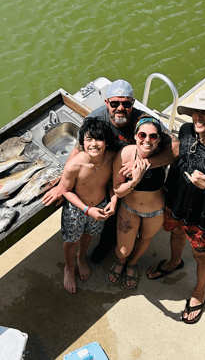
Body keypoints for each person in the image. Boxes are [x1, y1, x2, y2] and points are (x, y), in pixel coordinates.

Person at [42, 79, 179, 264]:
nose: (120, 108)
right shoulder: (96, 119)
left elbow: (175, 148)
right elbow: (79, 148)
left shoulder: (142, 119)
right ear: (106, 103)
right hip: (106, 176)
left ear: (132, 103)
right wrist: (62, 184)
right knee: (108, 214)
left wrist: (143, 164)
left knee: (121, 214)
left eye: (126, 103)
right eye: (115, 103)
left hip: (131, 179)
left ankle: (117, 245)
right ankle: (105, 244)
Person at [146, 90, 205, 324]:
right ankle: (175, 261)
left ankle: (199, 292)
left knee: (201, 254)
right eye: (196, 111)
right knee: (175, 232)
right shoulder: (186, 131)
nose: (198, 117)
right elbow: (177, 160)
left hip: (202, 216)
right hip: (176, 204)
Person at [107, 116, 167, 288]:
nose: (147, 140)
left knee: (145, 239)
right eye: (142, 135)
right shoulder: (125, 154)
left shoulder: (163, 156)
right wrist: (134, 181)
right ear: (135, 136)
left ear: (159, 139)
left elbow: (175, 151)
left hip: (155, 211)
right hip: (129, 208)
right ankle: (121, 261)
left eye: (153, 136)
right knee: (123, 249)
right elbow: (118, 190)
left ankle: (133, 263)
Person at [60, 117, 118, 293]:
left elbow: (111, 183)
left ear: (106, 142)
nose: (94, 144)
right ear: (82, 143)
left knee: (88, 234)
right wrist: (86, 209)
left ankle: (81, 257)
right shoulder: (74, 165)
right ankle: (68, 267)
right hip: (77, 209)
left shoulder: (111, 158)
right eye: (89, 139)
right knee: (72, 240)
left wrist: (113, 199)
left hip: (100, 205)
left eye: (99, 139)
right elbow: (65, 190)